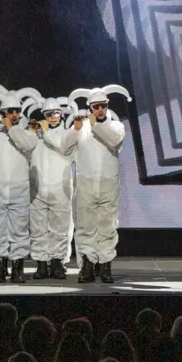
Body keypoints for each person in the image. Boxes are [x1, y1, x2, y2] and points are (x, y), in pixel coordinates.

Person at [72, 87, 129, 283]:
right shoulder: (82, 128)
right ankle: (87, 266)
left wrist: (96, 125)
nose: (100, 110)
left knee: (107, 226)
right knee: (85, 227)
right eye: (96, 106)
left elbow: (113, 140)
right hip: (86, 184)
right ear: (89, 108)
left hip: (108, 184)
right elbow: (64, 147)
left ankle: (105, 266)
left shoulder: (116, 126)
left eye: (103, 106)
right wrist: (75, 129)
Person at [0, 90, 41, 282]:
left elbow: (27, 145)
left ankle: (18, 269)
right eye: (10, 111)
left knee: (19, 230)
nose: (14, 115)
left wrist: (12, 129)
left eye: (17, 111)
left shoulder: (27, 134)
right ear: (3, 113)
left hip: (19, 190)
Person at [28, 100, 81, 279]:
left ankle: (58, 263)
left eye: (55, 113)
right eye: (48, 114)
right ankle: (41, 264)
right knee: (38, 229)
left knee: (60, 229)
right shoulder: (36, 136)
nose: (51, 117)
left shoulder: (68, 134)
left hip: (60, 189)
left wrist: (46, 131)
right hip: (38, 189)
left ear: (61, 114)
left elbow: (63, 146)